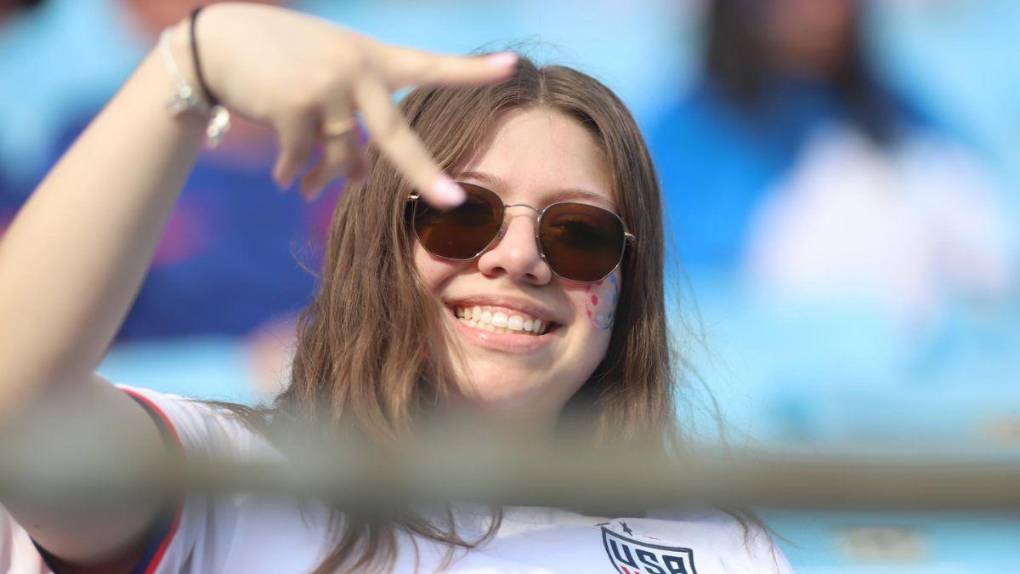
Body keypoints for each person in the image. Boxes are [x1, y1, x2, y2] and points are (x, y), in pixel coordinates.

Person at [0, 3, 792, 573]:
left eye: (577, 233)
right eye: (461, 213)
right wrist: (191, 65)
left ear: (630, 290)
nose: (518, 257)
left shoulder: (719, 549)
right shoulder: (223, 480)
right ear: (375, 248)